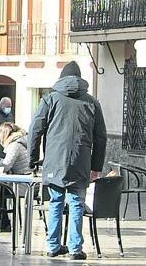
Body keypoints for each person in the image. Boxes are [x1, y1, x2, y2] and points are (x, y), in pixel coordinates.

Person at [29, 61, 107, 260]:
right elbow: (101, 137)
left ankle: (53, 246)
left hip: (54, 161)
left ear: (61, 79)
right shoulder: (92, 102)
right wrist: (96, 166)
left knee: (55, 201)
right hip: (81, 161)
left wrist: (33, 159)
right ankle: (75, 248)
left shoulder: (50, 100)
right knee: (76, 203)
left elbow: (35, 130)